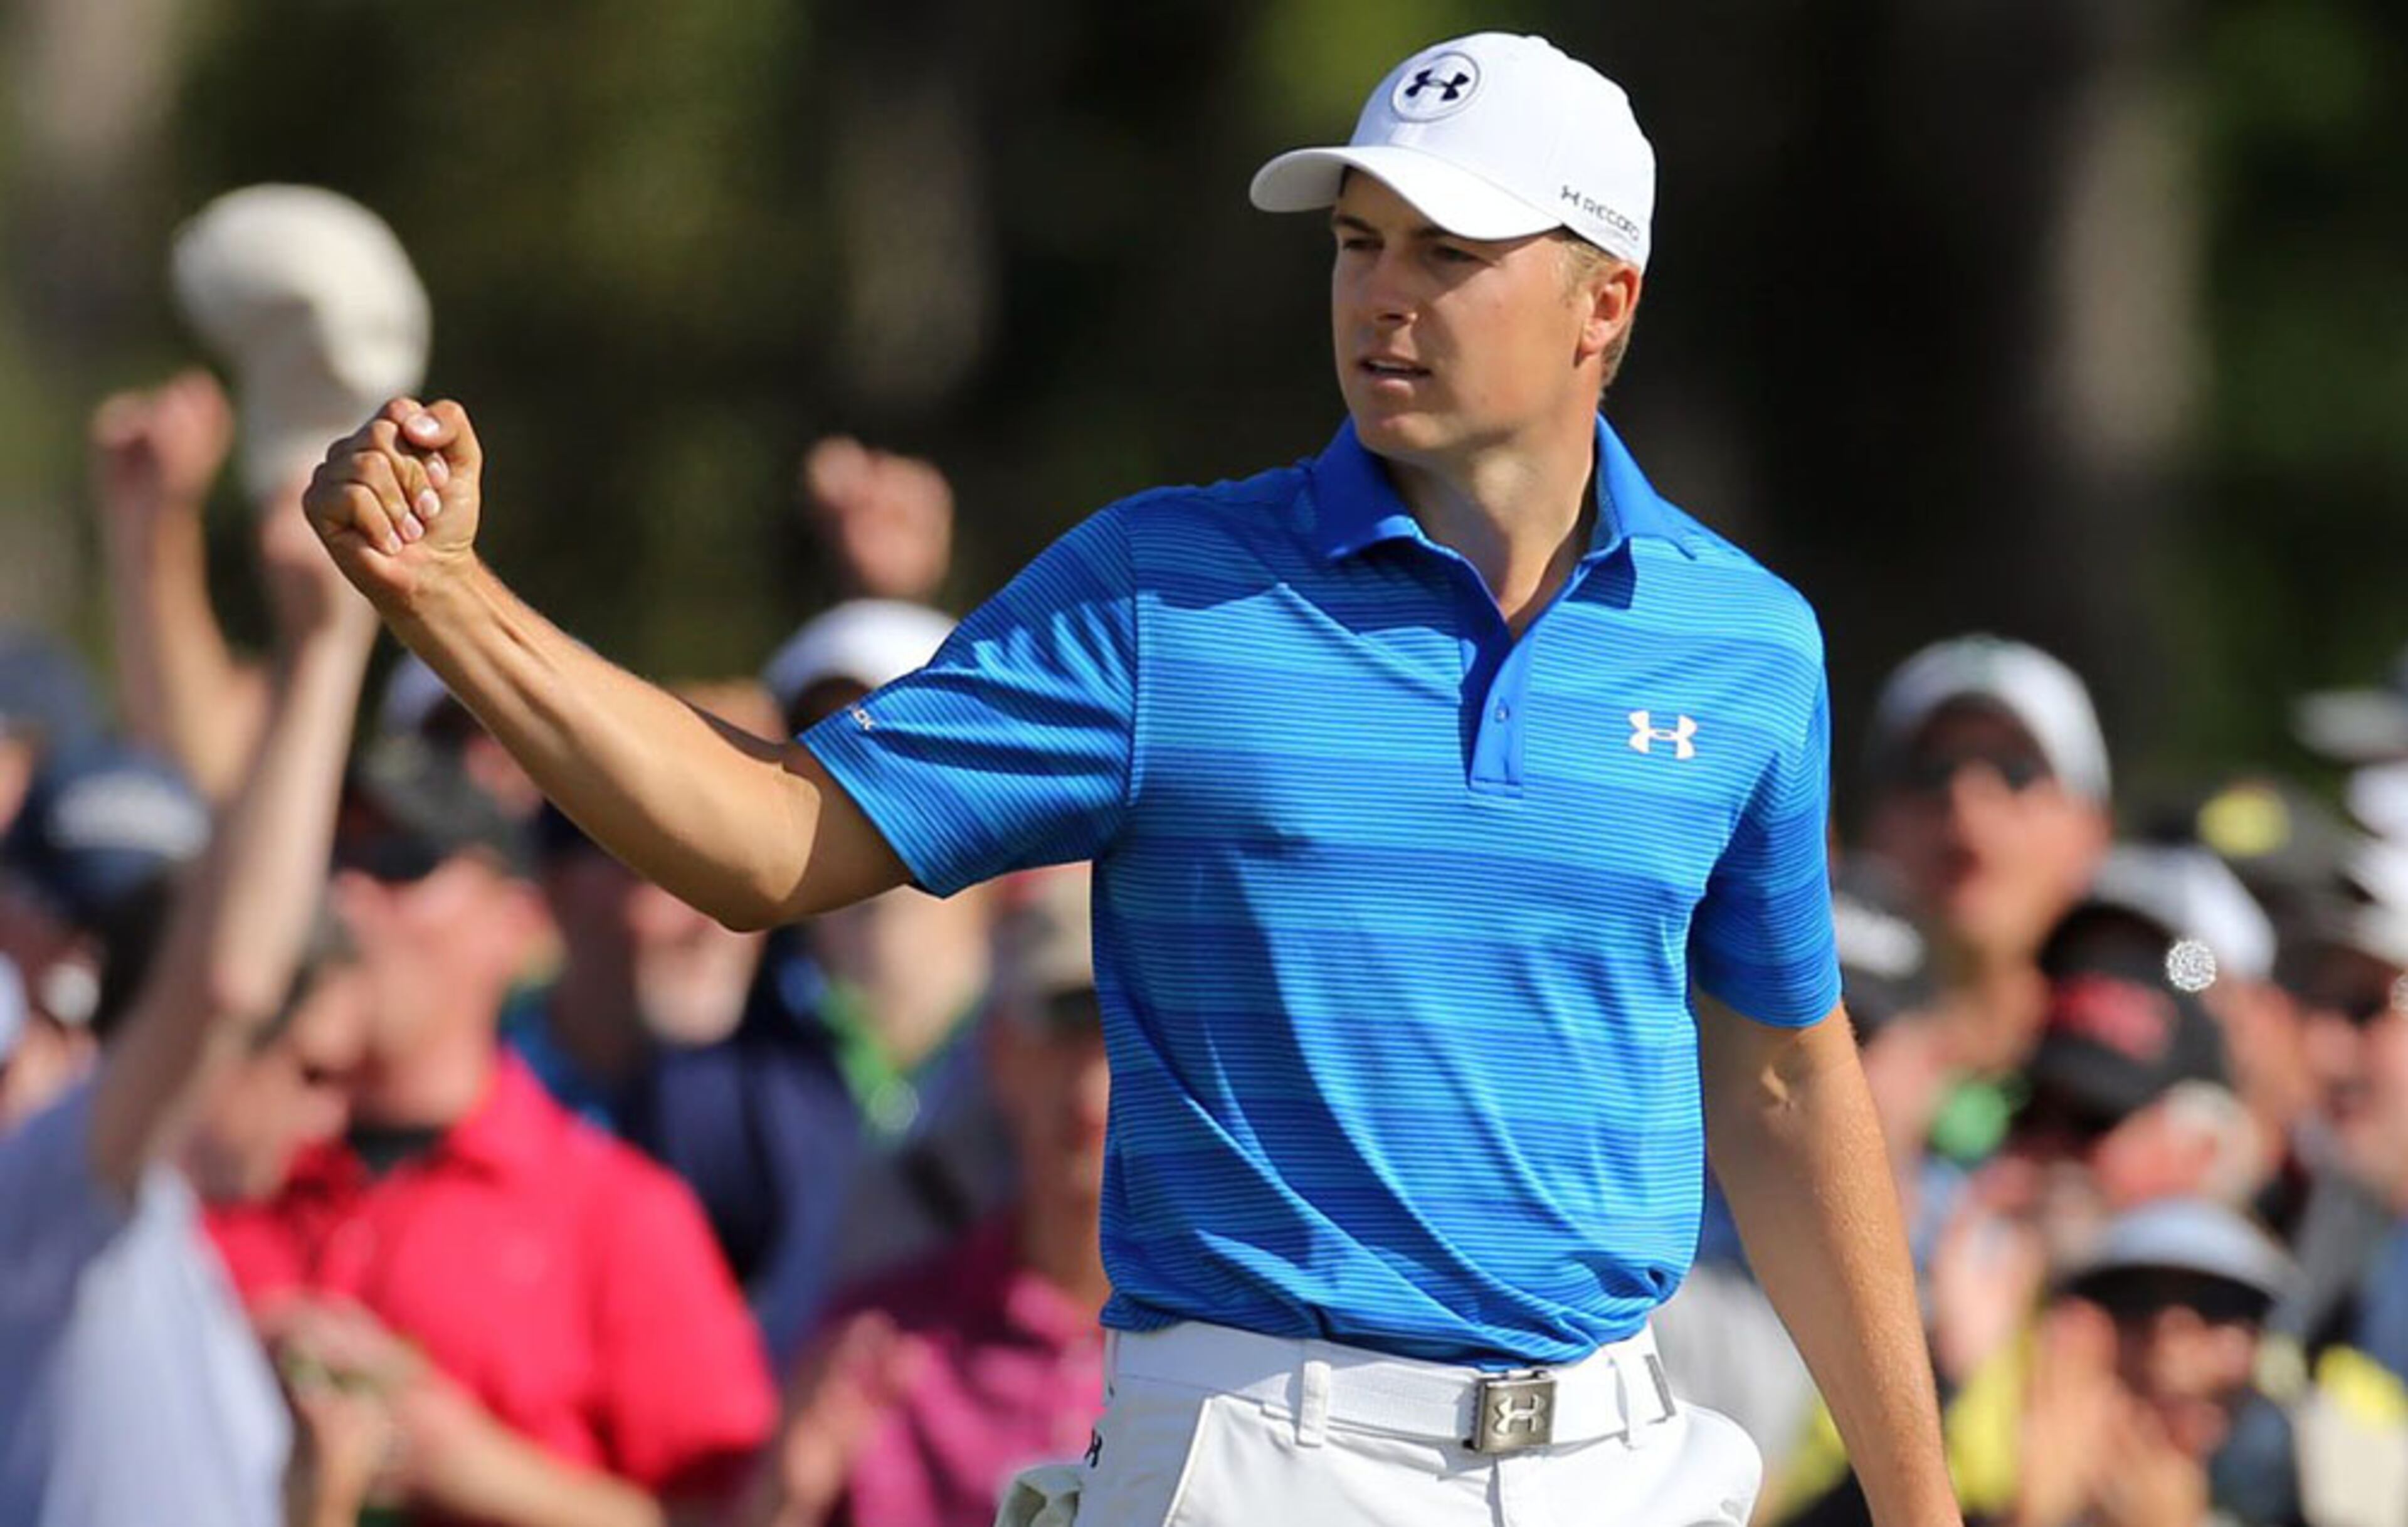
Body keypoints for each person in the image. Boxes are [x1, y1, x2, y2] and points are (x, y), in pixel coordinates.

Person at [303, 29, 1956, 1527]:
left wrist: (1919, 1506)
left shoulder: (1746, 643)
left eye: (1448, 252)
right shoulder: (1164, 594)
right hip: (1267, 1454)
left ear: (1607, 300)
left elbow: (1786, 1089)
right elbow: (765, 843)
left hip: (1626, 1457)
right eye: (1357, 243)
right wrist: (447, 597)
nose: (1382, 296)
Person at [204, 740, 777, 1527]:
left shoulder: (620, 1215)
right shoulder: (209, 1169)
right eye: (333, 856)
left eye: (402, 863)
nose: (347, 893)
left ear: (517, 923)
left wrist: (478, 1468)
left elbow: (736, 1513)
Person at [0, 488, 383, 1527]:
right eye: (304, 1071)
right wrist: (322, 653)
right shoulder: (49, 1185)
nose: (325, 1119)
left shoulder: (138, 1224)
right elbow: (228, 981)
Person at [631, 598, 1005, 1361]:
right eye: (825, 737)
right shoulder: (700, 1085)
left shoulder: (1067, 1044)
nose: (865, 767)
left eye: (907, 725)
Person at [742, 865, 1110, 1527]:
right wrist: (786, 1495)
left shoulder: (1241, 1341)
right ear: (999, 1053)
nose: (1090, 1083)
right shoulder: (883, 1353)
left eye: (1126, 1037)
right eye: (1061, 1030)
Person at [1861, 635, 2115, 1160]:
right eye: (1930, 771)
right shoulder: (1772, 1050)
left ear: (2092, 830)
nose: (1966, 798)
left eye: (2016, 771)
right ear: (1877, 823)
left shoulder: (2147, 1074)